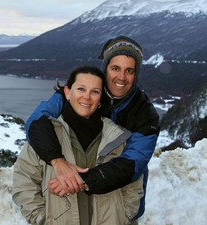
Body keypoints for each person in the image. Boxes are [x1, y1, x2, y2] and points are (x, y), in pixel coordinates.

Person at [24, 36, 160, 221]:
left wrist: (80, 180)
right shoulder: (82, 94)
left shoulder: (145, 114)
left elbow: (133, 164)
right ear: (105, 69)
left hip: (116, 208)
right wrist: (58, 161)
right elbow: (35, 122)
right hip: (67, 211)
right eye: (115, 68)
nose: (121, 77)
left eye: (129, 71)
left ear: (136, 75)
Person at [12, 65, 144, 225]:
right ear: (67, 92)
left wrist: (123, 216)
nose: (87, 97)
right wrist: (43, 220)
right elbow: (24, 181)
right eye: (81, 89)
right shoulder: (46, 135)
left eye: (95, 91)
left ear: (101, 97)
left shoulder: (118, 137)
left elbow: (134, 183)